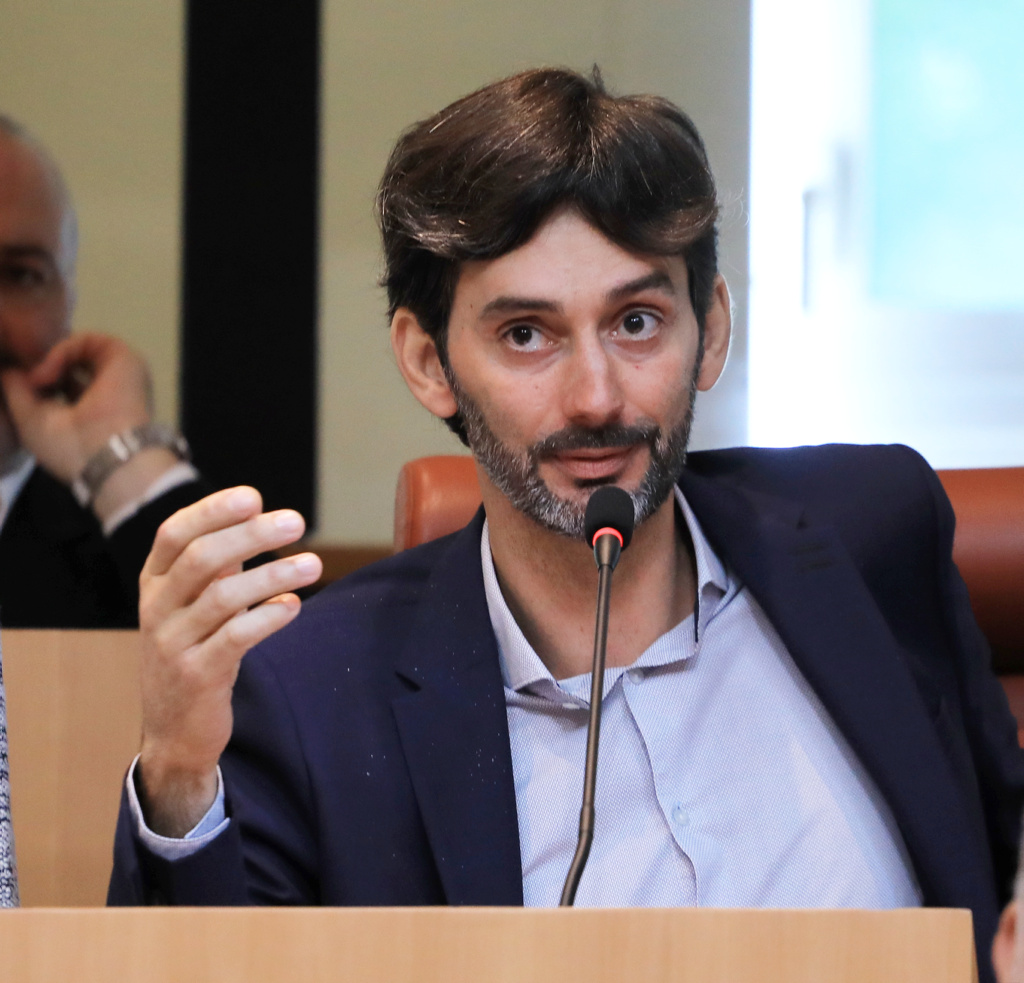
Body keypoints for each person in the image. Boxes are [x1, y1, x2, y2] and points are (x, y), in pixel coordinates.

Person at [109, 69, 1023, 983]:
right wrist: (182, 776)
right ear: (429, 363)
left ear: (708, 331)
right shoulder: (314, 695)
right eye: (526, 335)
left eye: (636, 321)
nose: (596, 398)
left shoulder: (872, 534)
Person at [0, 116, 204, 627]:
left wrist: (125, 464)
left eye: (22, 275)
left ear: (67, 300)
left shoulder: (125, 545)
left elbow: (287, 690)